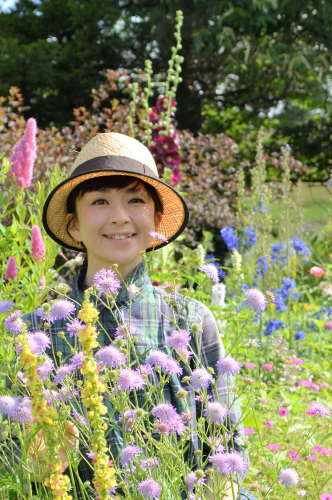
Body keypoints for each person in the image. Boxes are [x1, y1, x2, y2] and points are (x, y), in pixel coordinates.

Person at [18, 133, 253, 500]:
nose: (119, 217)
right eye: (99, 201)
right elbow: (16, 460)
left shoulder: (189, 319)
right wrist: (40, 458)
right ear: (75, 225)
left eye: (135, 200)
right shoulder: (37, 330)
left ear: (156, 219)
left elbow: (226, 443)